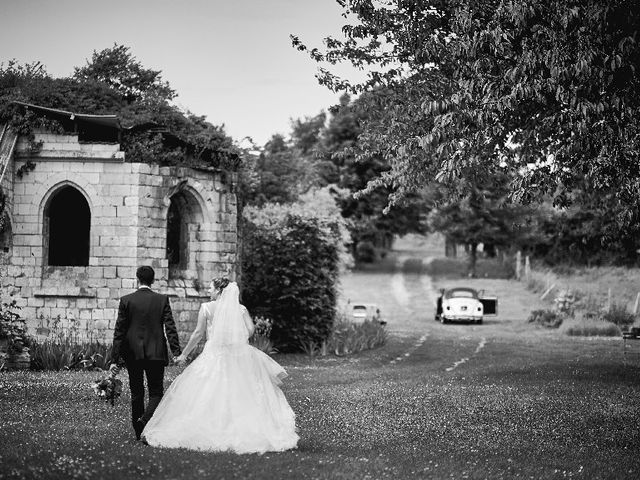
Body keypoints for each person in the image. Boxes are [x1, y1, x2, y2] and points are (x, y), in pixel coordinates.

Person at [141, 277, 299, 454]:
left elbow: (198, 333)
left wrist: (184, 354)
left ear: (218, 290)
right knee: (241, 391)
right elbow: (250, 331)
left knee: (207, 391)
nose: (209, 291)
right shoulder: (241, 309)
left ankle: (208, 427)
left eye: (210, 288)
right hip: (238, 356)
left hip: (214, 355)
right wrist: (234, 337)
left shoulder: (207, 308)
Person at [109, 266, 182, 441]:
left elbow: (119, 331)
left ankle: (138, 430)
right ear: (153, 280)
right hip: (156, 353)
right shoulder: (161, 299)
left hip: (132, 353)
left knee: (136, 392)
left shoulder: (126, 300)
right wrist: (176, 352)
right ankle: (145, 421)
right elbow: (170, 327)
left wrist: (114, 359)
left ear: (137, 279)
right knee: (156, 392)